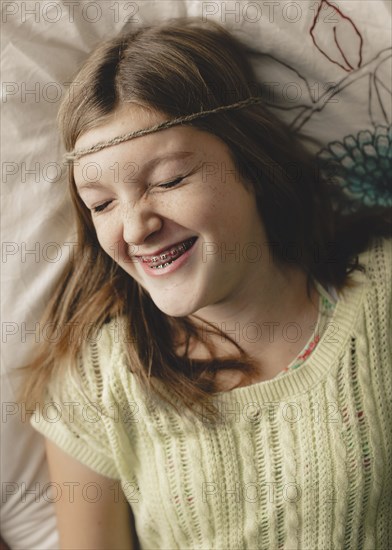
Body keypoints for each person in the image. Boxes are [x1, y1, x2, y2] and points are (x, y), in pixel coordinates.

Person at [23, 17, 391, 549]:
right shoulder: (98, 383)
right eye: (101, 204)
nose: (134, 226)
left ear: (252, 164)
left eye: (169, 180)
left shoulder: (379, 298)